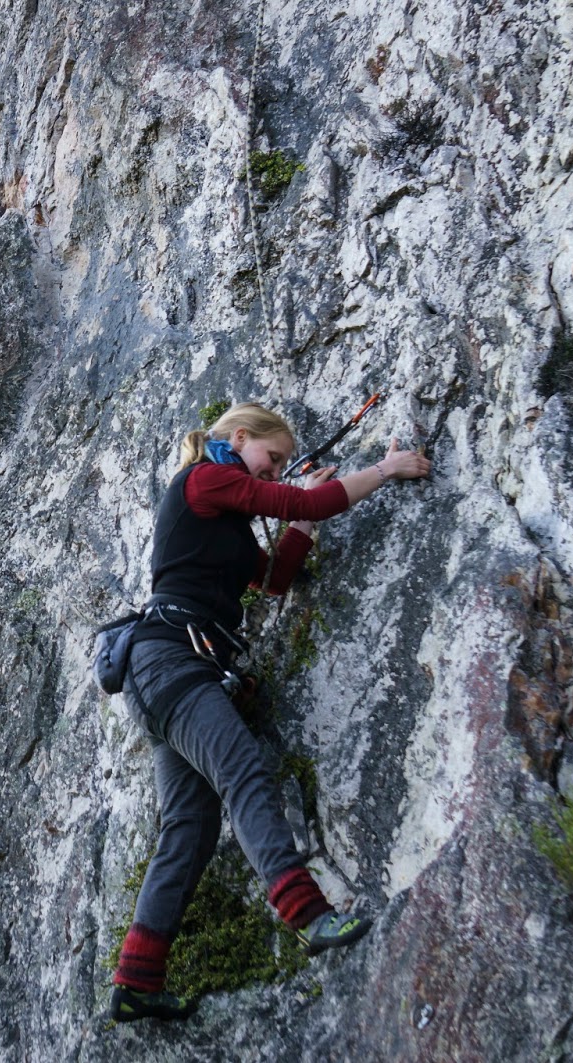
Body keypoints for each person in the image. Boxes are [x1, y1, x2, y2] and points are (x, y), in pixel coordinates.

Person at [110, 402, 431, 1023]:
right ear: (239, 439)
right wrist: (384, 470)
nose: (277, 469)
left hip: (169, 674)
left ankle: (136, 981)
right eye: (273, 457)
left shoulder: (227, 516)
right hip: (171, 665)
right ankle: (309, 917)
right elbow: (304, 503)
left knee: (189, 829)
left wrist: (304, 518)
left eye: (283, 462)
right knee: (244, 773)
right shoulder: (204, 479)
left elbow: (274, 580)